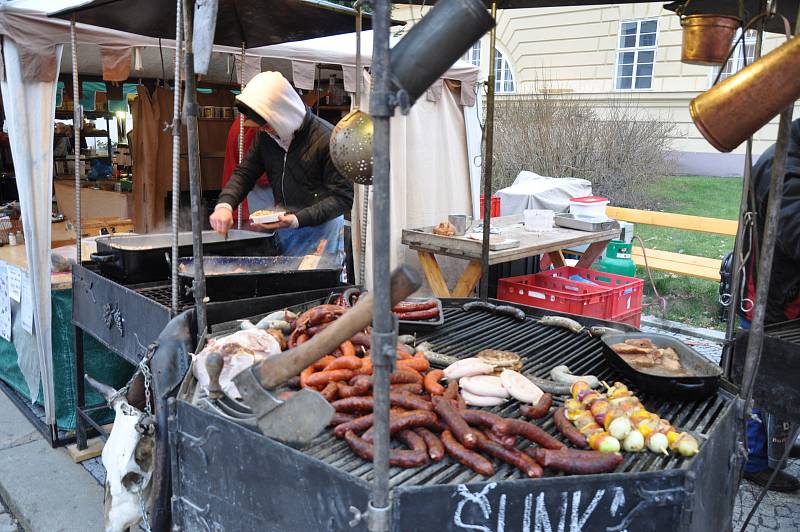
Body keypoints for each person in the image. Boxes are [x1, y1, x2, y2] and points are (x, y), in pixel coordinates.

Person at [209, 72, 353, 260]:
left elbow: (342, 198)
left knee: (319, 285)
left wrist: (296, 219)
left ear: (282, 113)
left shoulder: (328, 139)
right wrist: (225, 205)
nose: (263, 130)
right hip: (286, 229)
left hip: (322, 233)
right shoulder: (266, 137)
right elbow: (245, 173)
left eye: (267, 124)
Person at [740, 118, 800, 492]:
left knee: (781, 377)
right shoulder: (784, 169)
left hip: (782, 292)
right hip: (768, 296)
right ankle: (753, 460)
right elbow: (797, 234)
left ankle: (780, 441)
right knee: (757, 381)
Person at [221, 114, 272, 225]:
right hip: (251, 208)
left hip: (242, 205)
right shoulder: (252, 127)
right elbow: (259, 173)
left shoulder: (243, 123)